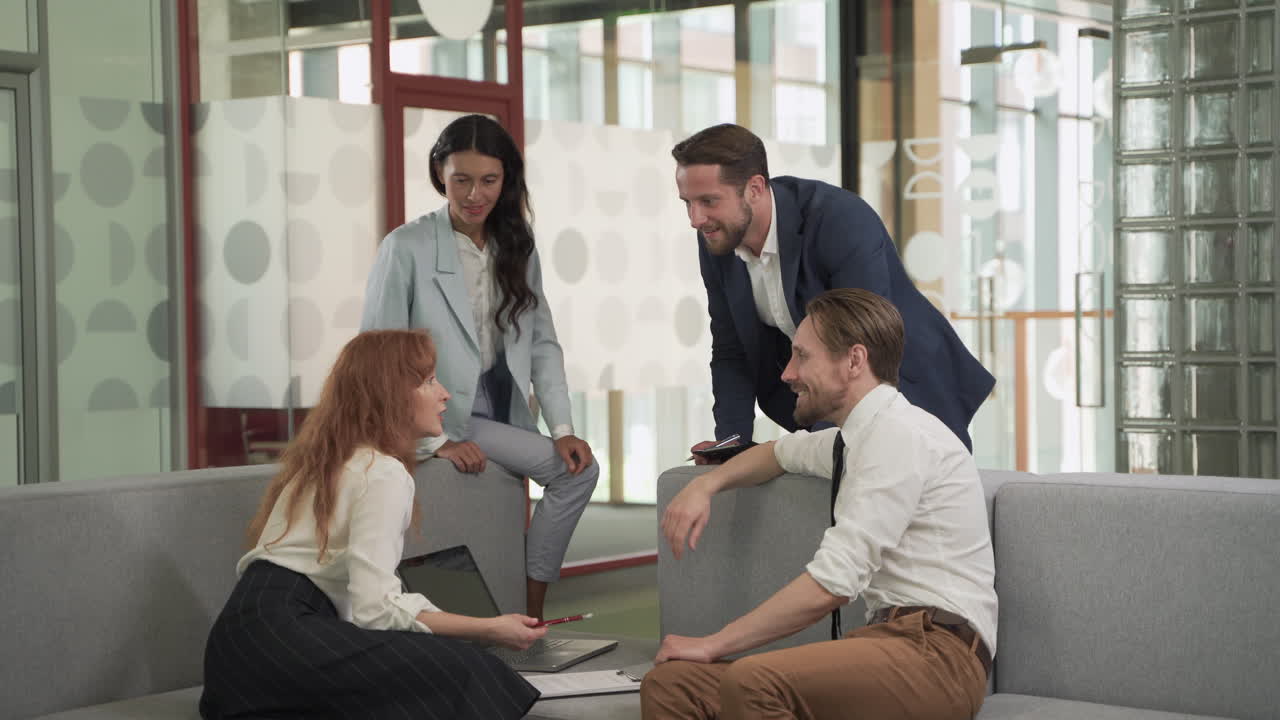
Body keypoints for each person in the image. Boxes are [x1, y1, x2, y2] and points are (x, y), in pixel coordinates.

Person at [643, 288, 997, 720]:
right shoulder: (851, 441)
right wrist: (706, 485)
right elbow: (777, 453)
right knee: (672, 685)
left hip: (938, 657)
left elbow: (834, 582)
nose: (788, 373)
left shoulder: (900, 436)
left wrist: (713, 644)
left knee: (752, 680)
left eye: (802, 356)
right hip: (884, 644)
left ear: (853, 361)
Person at [200, 329, 543, 720]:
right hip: (285, 641)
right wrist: (488, 629)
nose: (445, 393)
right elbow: (375, 610)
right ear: (393, 394)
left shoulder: (323, 463)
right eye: (429, 381)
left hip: (234, 653)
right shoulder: (381, 473)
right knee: (470, 670)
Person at [361, 114, 599, 620]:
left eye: (489, 180)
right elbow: (376, 359)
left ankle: (531, 604)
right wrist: (434, 441)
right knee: (571, 477)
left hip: (498, 409)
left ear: (506, 179)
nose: (474, 194)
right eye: (460, 179)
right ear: (439, 176)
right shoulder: (405, 247)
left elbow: (542, 342)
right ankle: (531, 613)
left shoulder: (518, 244)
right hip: (440, 414)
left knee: (577, 467)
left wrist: (562, 428)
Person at [673, 123, 994, 456]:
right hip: (826, 401)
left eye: (708, 201)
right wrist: (730, 443)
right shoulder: (718, 235)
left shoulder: (838, 219)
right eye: (688, 203)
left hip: (906, 389)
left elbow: (862, 343)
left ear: (754, 188)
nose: (696, 219)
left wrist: (822, 445)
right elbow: (731, 348)